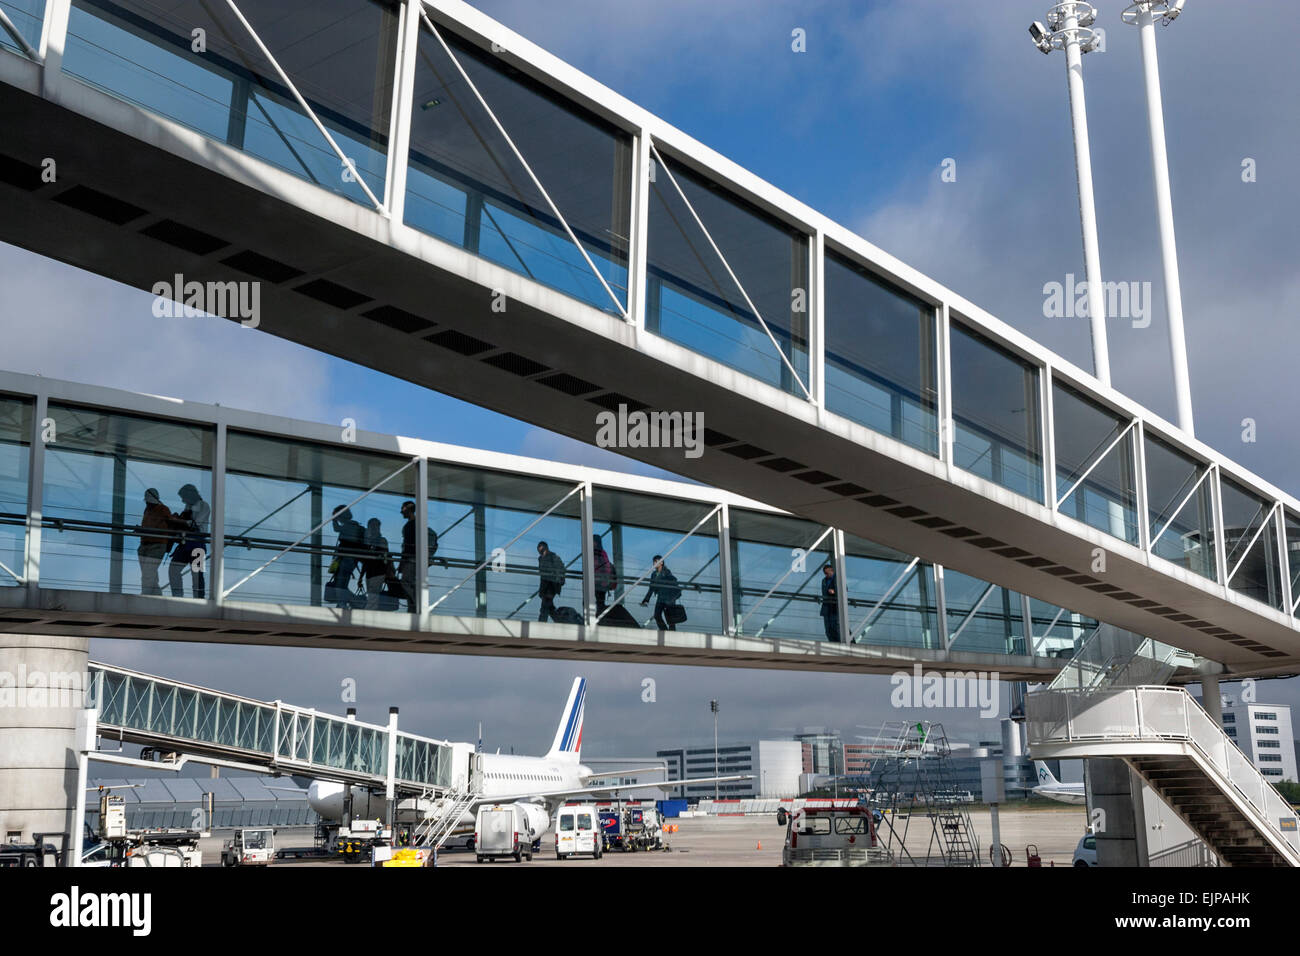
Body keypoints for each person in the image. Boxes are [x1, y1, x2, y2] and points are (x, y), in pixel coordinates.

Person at [167, 483, 210, 599]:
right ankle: (177, 596)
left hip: (197, 543)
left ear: (189, 495)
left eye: (183, 497)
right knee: (173, 569)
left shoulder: (204, 506)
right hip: (186, 543)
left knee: (197, 574)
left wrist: (178, 520)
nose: (182, 500)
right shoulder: (188, 507)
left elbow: (195, 524)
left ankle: (199, 598)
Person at [328, 505, 365, 608]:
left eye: (338, 516)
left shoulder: (349, 525)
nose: (338, 519)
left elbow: (336, 529)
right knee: (342, 582)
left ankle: (344, 603)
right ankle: (346, 603)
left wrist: (333, 520)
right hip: (351, 559)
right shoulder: (354, 525)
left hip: (346, 558)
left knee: (340, 582)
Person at [137, 488, 172, 596]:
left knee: (148, 574)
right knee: (151, 575)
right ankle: (157, 598)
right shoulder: (147, 510)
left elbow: (168, 525)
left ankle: (145, 598)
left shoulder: (163, 509)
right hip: (144, 545)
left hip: (157, 545)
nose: (147, 503)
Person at [640, 555, 682, 631]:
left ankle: (672, 633)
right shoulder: (653, 574)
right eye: (654, 562)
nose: (654, 563)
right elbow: (651, 588)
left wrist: (672, 597)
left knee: (670, 617)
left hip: (669, 598)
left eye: (656, 561)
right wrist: (646, 599)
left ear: (661, 562)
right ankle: (664, 631)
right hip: (661, 598)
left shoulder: (667, 572)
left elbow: (673, 582)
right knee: (657, 615)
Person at [362, 518, 393, 611]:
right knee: (371, 594)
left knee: (373, 596)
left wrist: (389, 570)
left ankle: (369, 613)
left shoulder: (382, 540)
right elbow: (365, 560)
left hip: (379, 571)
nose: (373, 528)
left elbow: (386, 556)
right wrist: (361, 576)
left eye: (375, 526)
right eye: (371, 526)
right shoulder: (367, 541)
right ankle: (370, 612)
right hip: (369, 572)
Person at [536, 540, 565, 622]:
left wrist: (558, 580)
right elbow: (542, 575)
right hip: (545, 585)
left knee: (545, 606)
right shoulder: (540, 559)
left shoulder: (553, 556)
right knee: (550, 607)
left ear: (546, 548)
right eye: (539, 550)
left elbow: (561, 569)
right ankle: (559, 621)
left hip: (552, 585)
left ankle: (541, 624)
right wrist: (541, 590)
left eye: (541, 549)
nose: (540, 551)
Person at [398, 500, 418, 613]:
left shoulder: (411, 525)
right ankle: (413, 606)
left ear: (408, 510)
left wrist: (402, 561)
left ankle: (415, 604)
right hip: (414, 558)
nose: (401, 512)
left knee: (406, 582)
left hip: (410, 558)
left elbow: (407, 545)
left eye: (403, 509)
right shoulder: (417, 523)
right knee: (411, 583)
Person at [592, 535, 616, 615]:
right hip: (602, 583)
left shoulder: (592, 552)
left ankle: (596, 619)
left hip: (596, 582)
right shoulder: (603, 553)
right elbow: (607, 568)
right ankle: (598, 619)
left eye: (593, 541)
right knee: (599, 603)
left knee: (591, 602)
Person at [820, 561, 841, 643]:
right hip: (826, 607)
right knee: (828, 629)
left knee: (836, 626)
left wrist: (835, 592)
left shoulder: (838, 578)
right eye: (825, 573)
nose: (826, 575)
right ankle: (833, 643)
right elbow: (824, 593)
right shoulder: (824, 581)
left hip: (835, 607)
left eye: (827, 573)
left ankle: (845, 642)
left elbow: (844, 589)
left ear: (832, 570)